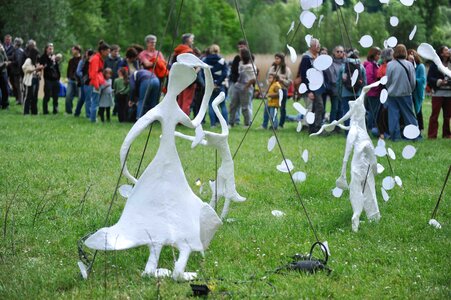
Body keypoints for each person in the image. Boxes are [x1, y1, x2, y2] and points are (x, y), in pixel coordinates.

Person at [385, 44, 418, 141]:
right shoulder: (409, 64)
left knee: (393, 116)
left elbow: (388, 80)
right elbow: (413, 81)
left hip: (392, 94)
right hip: (405, 93)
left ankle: (395, 137)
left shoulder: (390, 64)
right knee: (409, 116)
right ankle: (414, 136)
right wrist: (410, 90)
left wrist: (390, 89)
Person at [297, 38, 325, 133]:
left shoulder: (319, 56)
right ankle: (312, 128)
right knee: (314, 107)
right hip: (311, 87)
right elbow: (304, 75)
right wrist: (308, 91)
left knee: (319, 107)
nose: (319, 46)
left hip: (319, 87)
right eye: (317, 45)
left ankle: (316, 127)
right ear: (312, 46)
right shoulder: (306, 58)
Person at [337, 48, 367, 128]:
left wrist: (339, 93)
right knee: (357, 113)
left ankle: (347, 131)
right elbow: (364, 81)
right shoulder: (361, 66)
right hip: (357, 93)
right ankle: (357, 130)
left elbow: (339, 82)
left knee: (346, 112)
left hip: (345, 93)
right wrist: (362, 93)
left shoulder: (343, 67)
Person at [426, 45, 451, 139]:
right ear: (441, 53)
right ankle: (432, 135)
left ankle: (447, 134)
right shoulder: (435, 64)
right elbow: (430, 78)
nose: (448, 51)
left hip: (449, 94)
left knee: (447, 116)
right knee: (434, 115)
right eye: (446, 50)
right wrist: (439, 81)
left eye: (448, 49)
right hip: (438, 93)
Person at [228, 48, 256, 128]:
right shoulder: (240, 63)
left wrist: (246, 87)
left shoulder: (251, 66)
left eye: (240, 54)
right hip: (237, 86)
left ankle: (247, 123)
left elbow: (253, 78)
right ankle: (231, 122)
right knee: (233, 105)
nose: (239, 55)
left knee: (245, 107)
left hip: (246, 88)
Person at [203, 44, 228, 127]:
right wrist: (217, 83)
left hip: (210, 86)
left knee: (211, 104)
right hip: (220, 85)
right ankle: (226, 124)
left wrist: (212, 84)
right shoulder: (222, 60)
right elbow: (225, 74)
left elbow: (205, 74)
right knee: (222, 105)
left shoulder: (206, 60)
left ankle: (213, 124)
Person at [265, 53, 292, 128]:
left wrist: (280, 79)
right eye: (275, 58)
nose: (276, 60)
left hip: (282, 90)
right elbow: (267, 78)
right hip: (272, 90)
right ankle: (266, 124)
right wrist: (269, 83)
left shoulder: (286, 69)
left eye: (278, 58)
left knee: (282, 108)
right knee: (269, 107)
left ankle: (281, 124)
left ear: (282, 59)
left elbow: (289, 82)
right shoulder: (272, 68)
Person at [173, 33, 196, 116]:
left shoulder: (177, 51)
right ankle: (183, 120)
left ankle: (177, 118)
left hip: (178, 78)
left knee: (180, 100)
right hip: (188, 79)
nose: (193, 40)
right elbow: (192, 66)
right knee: (187, 100)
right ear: (187, 40)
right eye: (191, 39)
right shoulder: (189, 52)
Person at [88, 40, 110, 122]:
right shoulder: (96, 59)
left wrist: (103, 82)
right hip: (95, 84)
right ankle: (93, 119)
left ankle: (93, 118)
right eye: (107, 51)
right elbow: (94, 73)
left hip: (98, 82)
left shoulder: (99, 58)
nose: (108, 53)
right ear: (102, 51)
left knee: (95, 101)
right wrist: (96, 85)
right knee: (95, 102)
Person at [324, 45, 345, 124]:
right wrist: (342, 79)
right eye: (338, 51)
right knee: (335, 108)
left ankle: (338, 126)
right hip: (334, 89)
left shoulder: (345, 63)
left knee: (341, 108)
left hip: (343, 89)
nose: (339, 53)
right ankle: (332, 125)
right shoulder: (330, 63)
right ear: (334, 52)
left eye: (341, 52)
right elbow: (332, 77)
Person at [376, 48, 394, 138]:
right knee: (386, 112)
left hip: (384, 91)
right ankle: (385, 132)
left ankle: (383, 131)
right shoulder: (387, 66)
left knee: (384, 111)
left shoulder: (382, 65)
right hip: (387, 91)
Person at [363, 47, 381, 136]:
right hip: (372, 92)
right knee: (372, 112)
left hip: (376, 92)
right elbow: (369, 79)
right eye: (377, 54)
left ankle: (372, 127)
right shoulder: (370, 65)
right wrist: (377, 86)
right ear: (373, 55)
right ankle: (369, 128)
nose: (379, 56)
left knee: (374, 111)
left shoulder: (376, 64)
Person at [408, 49, 427, 132]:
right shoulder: (407, 66)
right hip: (408, 91)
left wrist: (414, 81)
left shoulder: (420, 66)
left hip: (417, 92)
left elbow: (422, 79)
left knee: (418, 110)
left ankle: (420, 127)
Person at [22, 41, 43, 115]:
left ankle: (34, 112)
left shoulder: (36, 61)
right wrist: (35, 69)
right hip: (29, 80)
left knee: (35, 96)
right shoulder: (28, 60)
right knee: (28, 96)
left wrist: (39, 72)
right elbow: (25, 68)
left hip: (35, 79)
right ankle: (26, 112)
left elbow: (38, 70)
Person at [39, 42, 61, 114]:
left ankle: (55, 109)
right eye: (49, 49)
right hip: (48, 79)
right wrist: (50, 60)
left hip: (55, 79)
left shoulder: (54, 57)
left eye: (52, 49)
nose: (51, 50)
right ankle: (45, 110)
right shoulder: (43, 57)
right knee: (47, 95)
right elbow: (44, 67)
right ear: (46, 49)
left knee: (56, 96)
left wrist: (58, 77)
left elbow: (57, 68)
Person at [74, 49, 94, 118]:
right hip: (84, 82)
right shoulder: (83, 61)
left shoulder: (91, 62)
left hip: (88, 81)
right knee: (87, 98)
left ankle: (77, 112)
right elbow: (78, 71)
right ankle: (88, 115)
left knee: (82, 98)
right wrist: (85, 76)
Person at [65, 45, 82, 114]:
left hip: (79, 81)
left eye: (73, 50)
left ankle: (77, 111)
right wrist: (68, 77)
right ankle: (68, 111)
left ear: (78, 50)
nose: (72, 51)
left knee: (80, 97)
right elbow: (69, 70)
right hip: (71, 80)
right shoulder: (71, 60)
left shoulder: (82, 60)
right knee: (68, 96)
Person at [9, 37, 25, 105]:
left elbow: (18, 62)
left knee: (19, 86)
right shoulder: (20, 50)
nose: (13, 43)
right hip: (19, 71)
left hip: (17, 71)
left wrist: (10, 62)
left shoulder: (18, 51)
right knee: (19, 86)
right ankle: (20, 100)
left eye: (14, 42)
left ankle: (20, 100)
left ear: (17, 43)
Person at [0, 43, 9, 109]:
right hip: (2, 70)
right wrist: (4, 64)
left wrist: (3, 51)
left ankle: (5, 104)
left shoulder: (2, 52)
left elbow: (6, 59)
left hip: (3, 72)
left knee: (5, 89)